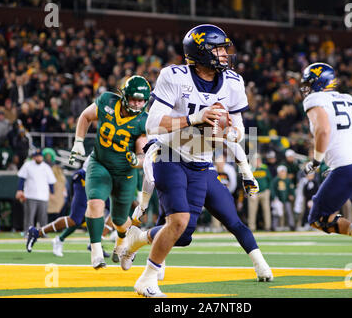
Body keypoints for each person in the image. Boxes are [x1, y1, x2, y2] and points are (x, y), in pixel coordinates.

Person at [122, 24, 273, 297]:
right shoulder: (174, 76)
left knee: (185, 233)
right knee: (178, 221)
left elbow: (238, 128)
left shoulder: (234, 82)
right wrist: (195, 117)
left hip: (201, 162)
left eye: (224, 47)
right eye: (217, 48)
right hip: (170, 155)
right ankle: (147, 279)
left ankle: (138, 239)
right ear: (200, 52)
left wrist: (227, 130)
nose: (224, 54)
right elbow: (153, 125)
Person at [67, 75, 150, 269]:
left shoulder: (143, 121)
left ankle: (122, 240)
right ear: (124, 96)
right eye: (134, 99)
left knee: (120, 220)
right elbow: (86, 116)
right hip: (100, 163)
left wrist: (136, 160)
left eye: (141, 100)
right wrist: (78, 141)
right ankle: (96, 251)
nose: (137, 104)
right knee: (95, 202)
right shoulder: (107, 101)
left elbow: (143, 155)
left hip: (124, 172)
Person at [300, 62, 352, 264]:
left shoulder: (315, 99)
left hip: (347, 165)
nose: (306, 87)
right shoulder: (346, 98)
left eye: (309, 82)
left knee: (318, 218)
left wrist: (317, 161)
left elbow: (323, 130)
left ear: (318, 82)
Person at [25, 156, 111, 258]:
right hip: (87, 178)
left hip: (101, 182)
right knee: (75, 219)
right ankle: (37, 233)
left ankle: (96, 244)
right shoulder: (110, 145)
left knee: (116, 211)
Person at [16, 149, 56, 250]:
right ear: (34, 157)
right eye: (36, 156)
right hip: (30, 195)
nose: (38, 158)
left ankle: (43, 233)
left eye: (40, 156)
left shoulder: (46, 167)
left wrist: (52, 192)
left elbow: (51, 181)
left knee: (43, 217)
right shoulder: (27, 165)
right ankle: (27, 233)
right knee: (29, 216)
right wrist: (20, 190)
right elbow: (21, 178)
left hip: (43, 196)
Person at [248, 153, 272, 231]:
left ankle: (268, 227)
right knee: (252, 211)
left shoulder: (265, 168)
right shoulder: (250, 169)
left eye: (258, 159)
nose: (257, 161)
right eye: (256, 159)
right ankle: (252, 227)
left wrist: (268, 189)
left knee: (266, 210)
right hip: (254, 192)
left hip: (264, 192)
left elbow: (270, 180)